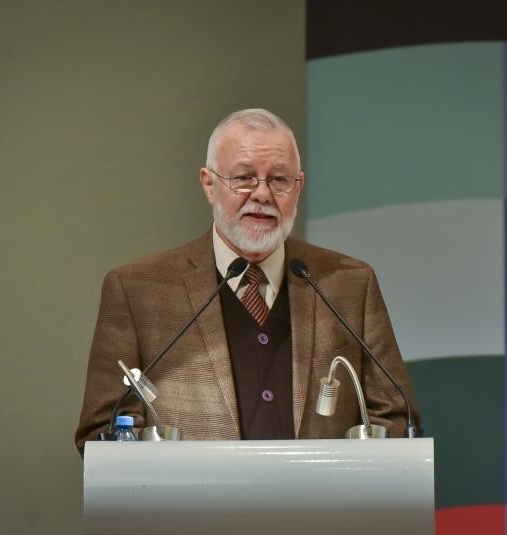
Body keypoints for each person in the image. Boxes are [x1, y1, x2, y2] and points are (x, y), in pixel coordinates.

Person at [75, 108, 419, 455]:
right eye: (243, 178)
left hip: (322, 492)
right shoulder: (138, 291)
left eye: (279, 180)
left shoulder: (349, 283)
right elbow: (105, 433)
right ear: (209, 184)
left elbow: (394, 416)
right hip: (193, 492)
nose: (262, 194)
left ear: (298, 187)